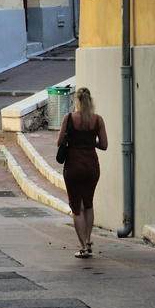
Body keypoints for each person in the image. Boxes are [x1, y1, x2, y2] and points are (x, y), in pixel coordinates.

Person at [57, 87, 108, 258]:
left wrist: (76, 141)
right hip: (91, 166)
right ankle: (88, 241)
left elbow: (59, 142)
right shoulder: (98, 120)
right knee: (88, 203)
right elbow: (104, 145)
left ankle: (83, 248)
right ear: (90, 101)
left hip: (73, 166)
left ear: (76, 101)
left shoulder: (69, 118)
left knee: (76, 207)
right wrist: (89, 142)